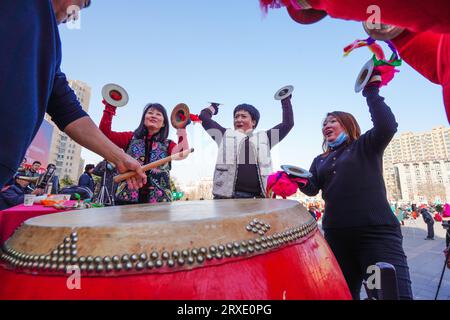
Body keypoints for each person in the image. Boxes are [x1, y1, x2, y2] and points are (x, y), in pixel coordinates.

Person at [0, 0, 146, 191]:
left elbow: (67, 110)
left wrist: (120, 158)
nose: (76, 14)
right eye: (83, 3)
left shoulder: (52, 44)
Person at [298, 73, 413, 300]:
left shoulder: (365, 146)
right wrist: (294, 178)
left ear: (348, 124)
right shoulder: (320, 159)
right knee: (343, 295)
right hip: (337, 238)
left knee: (386, 294)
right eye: (324, 123)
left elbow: (387, 126)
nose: (326, 125)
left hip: (374, 236)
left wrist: (371, 92)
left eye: (332, 120)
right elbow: (311, 188)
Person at [199, 95, 294, 199]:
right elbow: (204, 118)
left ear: (253, 122)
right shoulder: (224, 135)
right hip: (226, 199)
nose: (238, 119)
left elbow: (287, 124)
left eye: (243, 116)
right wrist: (213, 107)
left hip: (258, 199)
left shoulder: (266, 138)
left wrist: (285, 99)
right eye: (236, 116)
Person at [99, 101, 189, 204]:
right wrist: (110, 108)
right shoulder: (129, 138)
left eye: (158, 114)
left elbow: (183, 153)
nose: (153, 116)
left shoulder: (168, 144)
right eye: (150, 113)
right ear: (144, 118)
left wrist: (181, 128)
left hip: (160, 201)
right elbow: (103, 135)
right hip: (127, 198)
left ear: (164, 123)